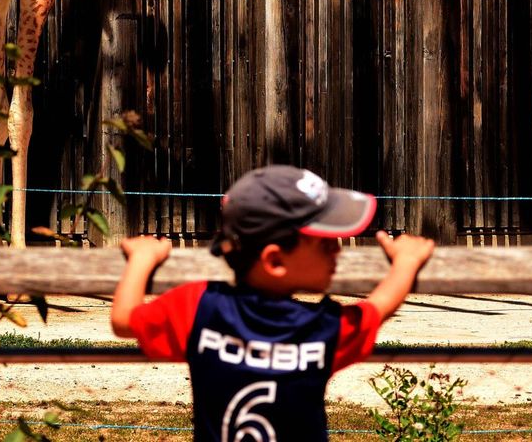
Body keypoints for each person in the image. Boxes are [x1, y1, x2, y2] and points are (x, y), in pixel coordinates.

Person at [110, 165, 435, 441]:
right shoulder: (323, 329)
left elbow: (124, 320)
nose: (338, 251)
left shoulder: (197, 307)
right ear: (275, 261)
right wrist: (405, 262)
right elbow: (378, 307)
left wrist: (141, 259)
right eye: (325, 244)